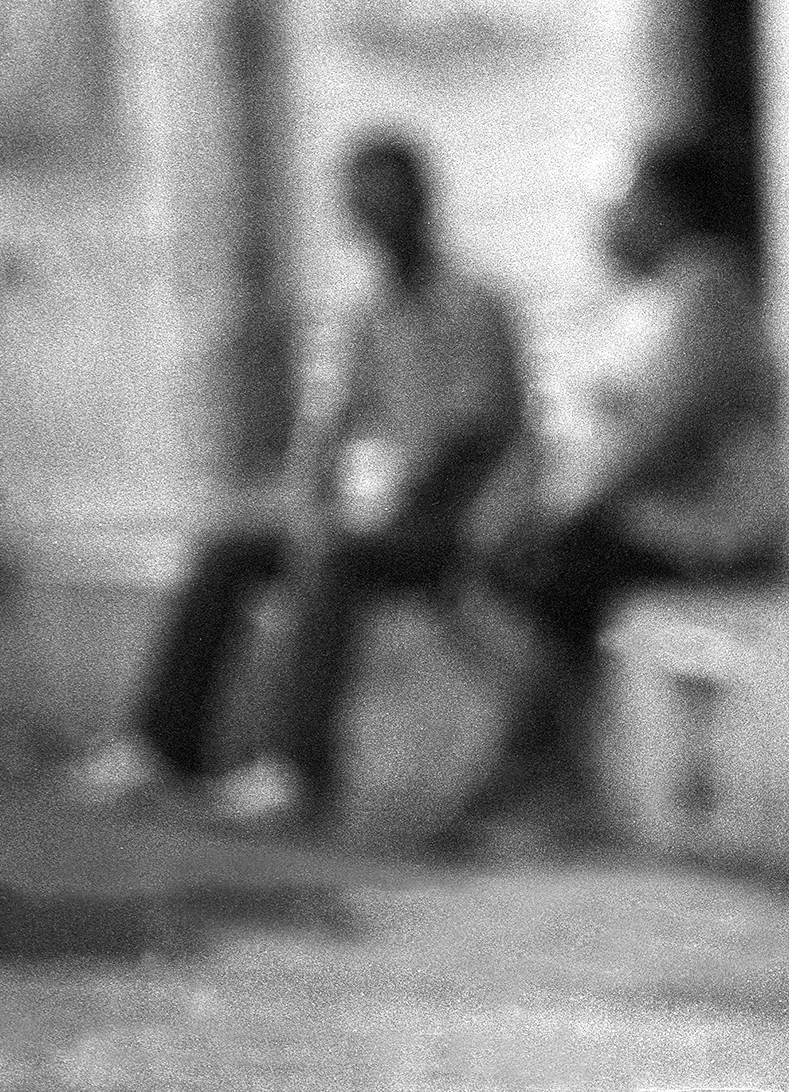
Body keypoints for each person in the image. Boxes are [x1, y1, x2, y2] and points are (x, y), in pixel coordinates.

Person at [72, 133, 534, 827]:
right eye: (361, 203)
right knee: (230, 550)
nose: (373, 217)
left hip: (458, 527)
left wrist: (371, 512)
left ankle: (296, 771)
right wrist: (307, 504)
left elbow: (473, 440)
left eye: (384, 199)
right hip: (385, 519)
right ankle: (159, 747)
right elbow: (327, 430)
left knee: (334, 558)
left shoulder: (473, 304)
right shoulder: (370, 317)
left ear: (420, 202)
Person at [440, 136, 786, 851]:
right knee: (508, 569)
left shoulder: (708, 285)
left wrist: (567, 509)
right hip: (646, 522)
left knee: (543, 568)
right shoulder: (649, 298)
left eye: (629, 202)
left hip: (707, 533)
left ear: (670, 208)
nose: (611, 219)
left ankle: (537, 775)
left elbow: (663, 431)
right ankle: (548, 768)